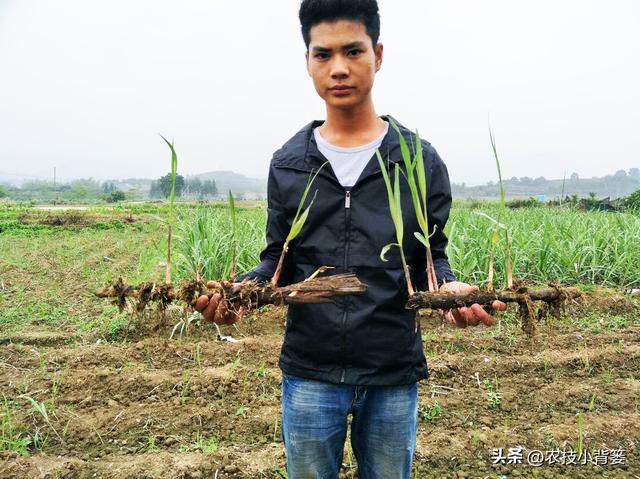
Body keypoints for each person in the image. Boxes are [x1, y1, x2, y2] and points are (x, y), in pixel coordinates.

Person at [196, 1, 506, 477]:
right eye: (323, 55)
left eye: (353, 51)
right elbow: (275, 259)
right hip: (310, 371)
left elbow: (430, 258)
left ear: (377, 55)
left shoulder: (418, 160)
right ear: (307, 62)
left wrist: (449, 288)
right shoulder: (289, 163)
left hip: (391, 371)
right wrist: (241, 291)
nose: (338, 68)